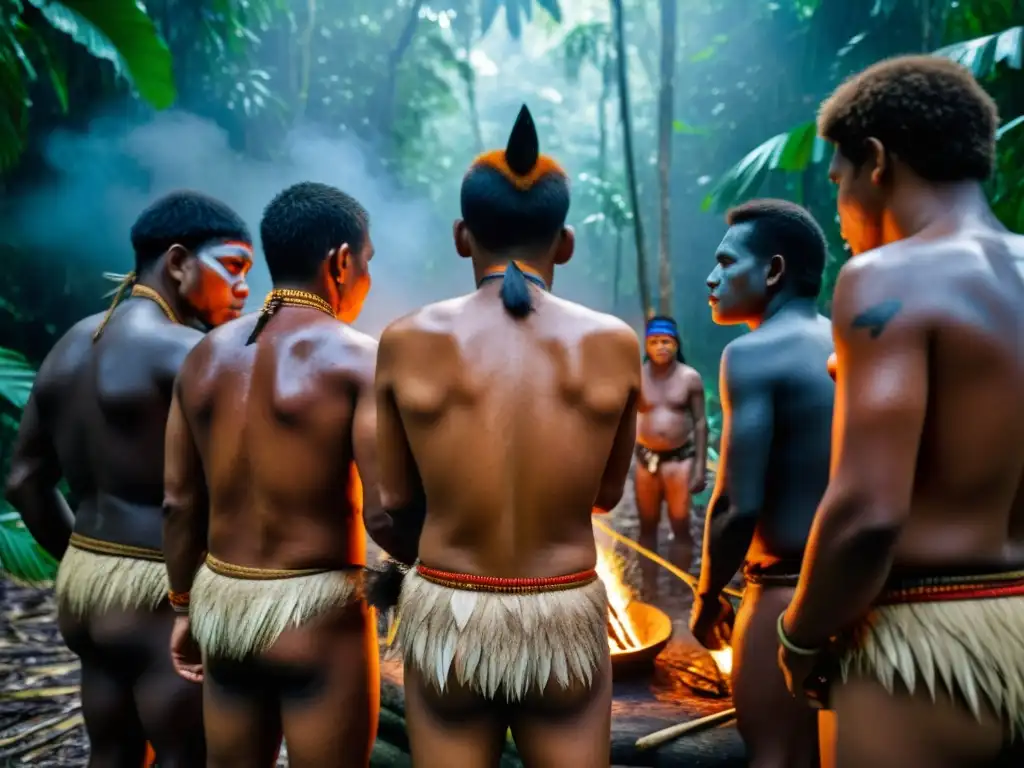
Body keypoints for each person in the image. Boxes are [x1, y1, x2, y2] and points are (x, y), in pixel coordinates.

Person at [366, 105, 639, 768]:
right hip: (564, 613)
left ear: (464, 236)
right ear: (565, 243)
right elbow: (604, 494)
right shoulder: (615, 345)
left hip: (449, 614)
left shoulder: (405, 341)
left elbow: (394, 505)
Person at [777, 55, 1024, 768]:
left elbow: (868, 516)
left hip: (923, 654)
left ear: (876, 161)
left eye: (838, 181)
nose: (839, 211)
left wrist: (799, 637)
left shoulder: (886, 278)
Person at [4, 190, 254, 768]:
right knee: (185, 755)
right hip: (158, 595)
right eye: (234, 266)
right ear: (176, 262)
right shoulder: (192, 352)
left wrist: (81, 562)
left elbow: (24, 482)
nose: (243, 286)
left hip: (86, 585)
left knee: (112, 751)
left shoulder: (72, 343)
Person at [163, 181, 379, 768]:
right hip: (318, 616)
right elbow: (386, 508)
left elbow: (179, 503)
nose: (367, 280)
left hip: (222, 606)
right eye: (367, 263)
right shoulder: (358, 357)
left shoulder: (202, 355)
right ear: (340, 262)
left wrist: (184, 609)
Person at [690, 199, 834, 768]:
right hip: (862, 592)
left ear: (773, 271)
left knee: (776, 756)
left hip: (783, 594)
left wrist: (706, 597)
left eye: (727, 262)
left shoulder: (750, 354)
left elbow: (734, 505)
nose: (712, 276)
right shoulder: (846, 342)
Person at [635, 315, 708, 582]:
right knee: (647, 524)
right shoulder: (637, 377)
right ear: (646, 346)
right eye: (654, 342)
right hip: (646, 460)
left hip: (680, 460)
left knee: (680, 523)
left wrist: (700, 466)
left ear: (676, 344)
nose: (661, 347)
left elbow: (700, 423)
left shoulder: (690, 379)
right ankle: (649, 584)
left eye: (666, 341)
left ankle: (680, 583)